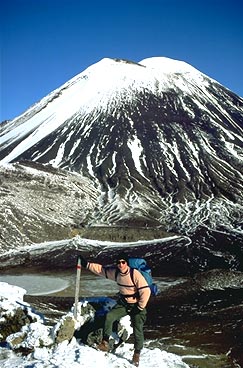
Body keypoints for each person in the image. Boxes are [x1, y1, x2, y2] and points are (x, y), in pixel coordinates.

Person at [79, 252, 151, 367]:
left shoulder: (135, 274)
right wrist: (86, 264)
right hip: (124, 304)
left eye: (123, 262)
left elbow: (146, 291)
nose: (121, 265)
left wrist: (140, 307)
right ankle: (105, 342)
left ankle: (136, 354)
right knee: (110, 316)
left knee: (138, 329)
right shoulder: (116, 273)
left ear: (127, 263)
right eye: (118, 262)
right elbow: (101, 270)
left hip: (137, 305)